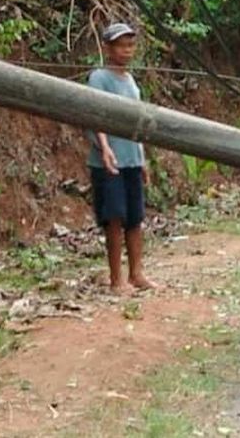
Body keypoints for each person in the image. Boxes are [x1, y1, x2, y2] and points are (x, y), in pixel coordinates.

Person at [86, 23, 156, 292]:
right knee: (114, 218)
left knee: (135, 218)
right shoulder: (99, 78)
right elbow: (95, 115)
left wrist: (142, 158)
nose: (127, 51)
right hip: (109, 161)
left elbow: (137, 121)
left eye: (130, 45)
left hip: (131, 159)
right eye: (121, 46)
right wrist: (104, 148)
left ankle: (136, 273)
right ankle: (117, 279)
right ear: (108, 48)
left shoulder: (131, 81)